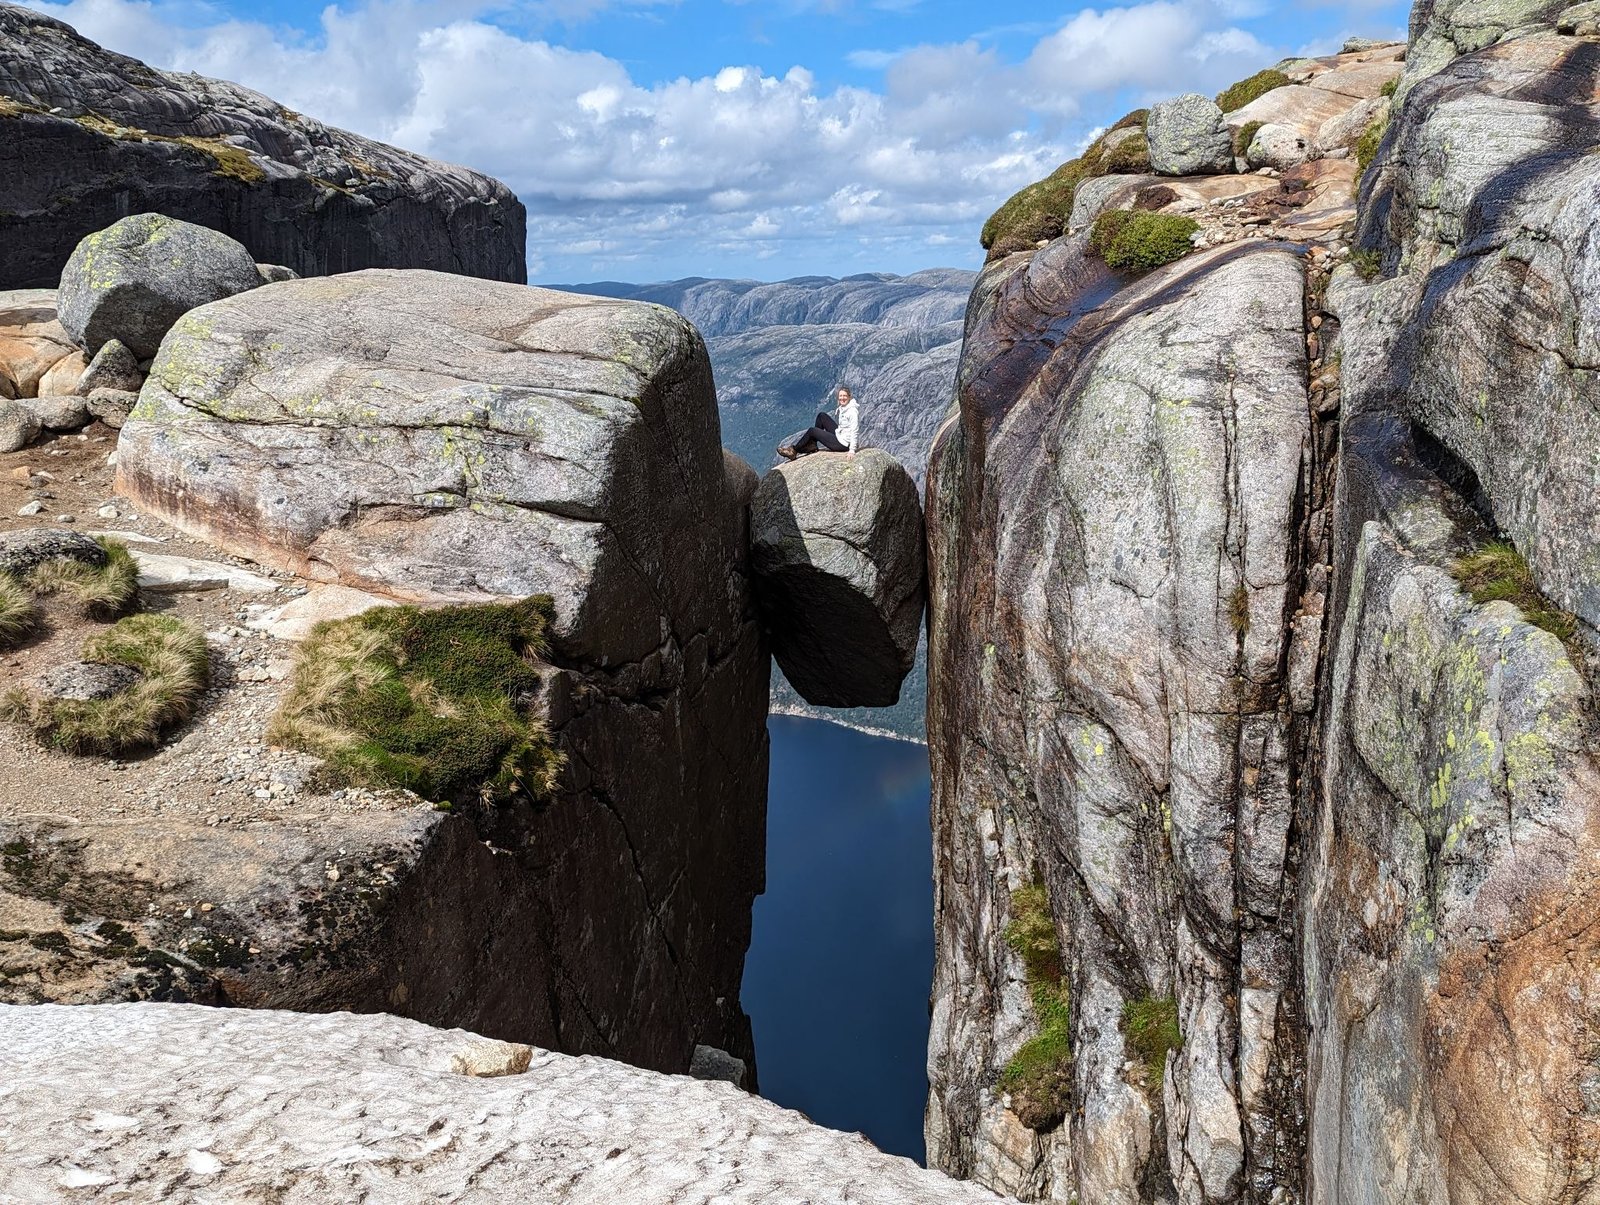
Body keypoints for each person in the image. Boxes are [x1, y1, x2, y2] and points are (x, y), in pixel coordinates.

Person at [779, 387, 858, 459]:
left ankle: (794, 451)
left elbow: (855, 431)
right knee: (821, 416)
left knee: (812, 431)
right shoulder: (845, 408)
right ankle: (812, 444)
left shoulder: (852, 412)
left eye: (845, 396)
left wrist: (852, 450)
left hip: (843, 444)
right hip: (841, 435)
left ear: (849, 397)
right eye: (840, 396)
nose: (842, 398)